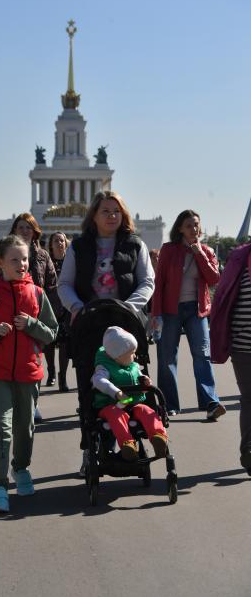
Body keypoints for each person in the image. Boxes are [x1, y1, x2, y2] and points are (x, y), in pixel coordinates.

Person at [58, 190, 155, 475]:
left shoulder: (135, 245)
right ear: (94, 215)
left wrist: (129, 308)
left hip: (125, 323)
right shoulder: (78, 246)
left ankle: (131, 440)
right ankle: (94, 445)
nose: (112, 215)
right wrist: (77, 307)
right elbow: (65, 284)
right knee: (92, 387)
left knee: (130, 384)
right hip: (89, 325)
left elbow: (147, 281)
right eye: (106, 211)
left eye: (116, 211)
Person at [0, 235, 58, 513]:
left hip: (29, 370)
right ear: (0, 263)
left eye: (25, 259)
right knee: (1, 427)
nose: (22, 264)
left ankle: (22, 468)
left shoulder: (37, 294)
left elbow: (51, 333)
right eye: (15, 259)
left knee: (25, 426)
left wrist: (30, 324)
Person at [151, 209, 225, 420]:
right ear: (180, 229)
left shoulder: (207, 251)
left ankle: (210, 402)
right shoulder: (168, 250)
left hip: (197, 310)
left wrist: (199, 252)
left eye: (197, 225)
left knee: (202, 355)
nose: (194, 229)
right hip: (170, 310)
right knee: (167, 358)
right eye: (189, 225)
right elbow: (160, 283)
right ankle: (169, 404)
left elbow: (214, 279)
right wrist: (156, 314)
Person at [92, 326, 168, 460]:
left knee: (146, 410)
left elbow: (141, 382)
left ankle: (158, 437)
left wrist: (145, 383)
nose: (134, 356)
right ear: (118, 355)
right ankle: (127, 444)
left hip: (131, 403)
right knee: (116, 415)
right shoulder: (104, 367)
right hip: (111, 405)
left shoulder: (133, 366)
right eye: (131, 353)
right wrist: (116, 392)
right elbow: (98, 381)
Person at [9, 213, 58, 421]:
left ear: (35, 230)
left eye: (29, 227)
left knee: (34, 361)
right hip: (13, 314)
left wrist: (51, 314)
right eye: (21, 227)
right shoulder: (7, 251)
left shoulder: (43, 256)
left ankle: (32, 404)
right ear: (15, 230)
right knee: (13, 359)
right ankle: (12, 402)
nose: (25, 231)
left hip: (36, 315)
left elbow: (52, 284)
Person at [210, 241, 251, 475]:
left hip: (241, 341)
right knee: (249, 398)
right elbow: (222, 299)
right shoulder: (239, 259)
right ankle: (249, 450)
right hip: (244, 344)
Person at [46, 231, 71, 392]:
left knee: (65, 345)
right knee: (48, 342)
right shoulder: (47, 262)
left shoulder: (71, 262)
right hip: (49, 308)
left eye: (62, 240)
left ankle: (63, 377)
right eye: (56, 240)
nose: (59, 243)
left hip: (67, 308)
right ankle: (51, 371)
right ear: (51, 244)